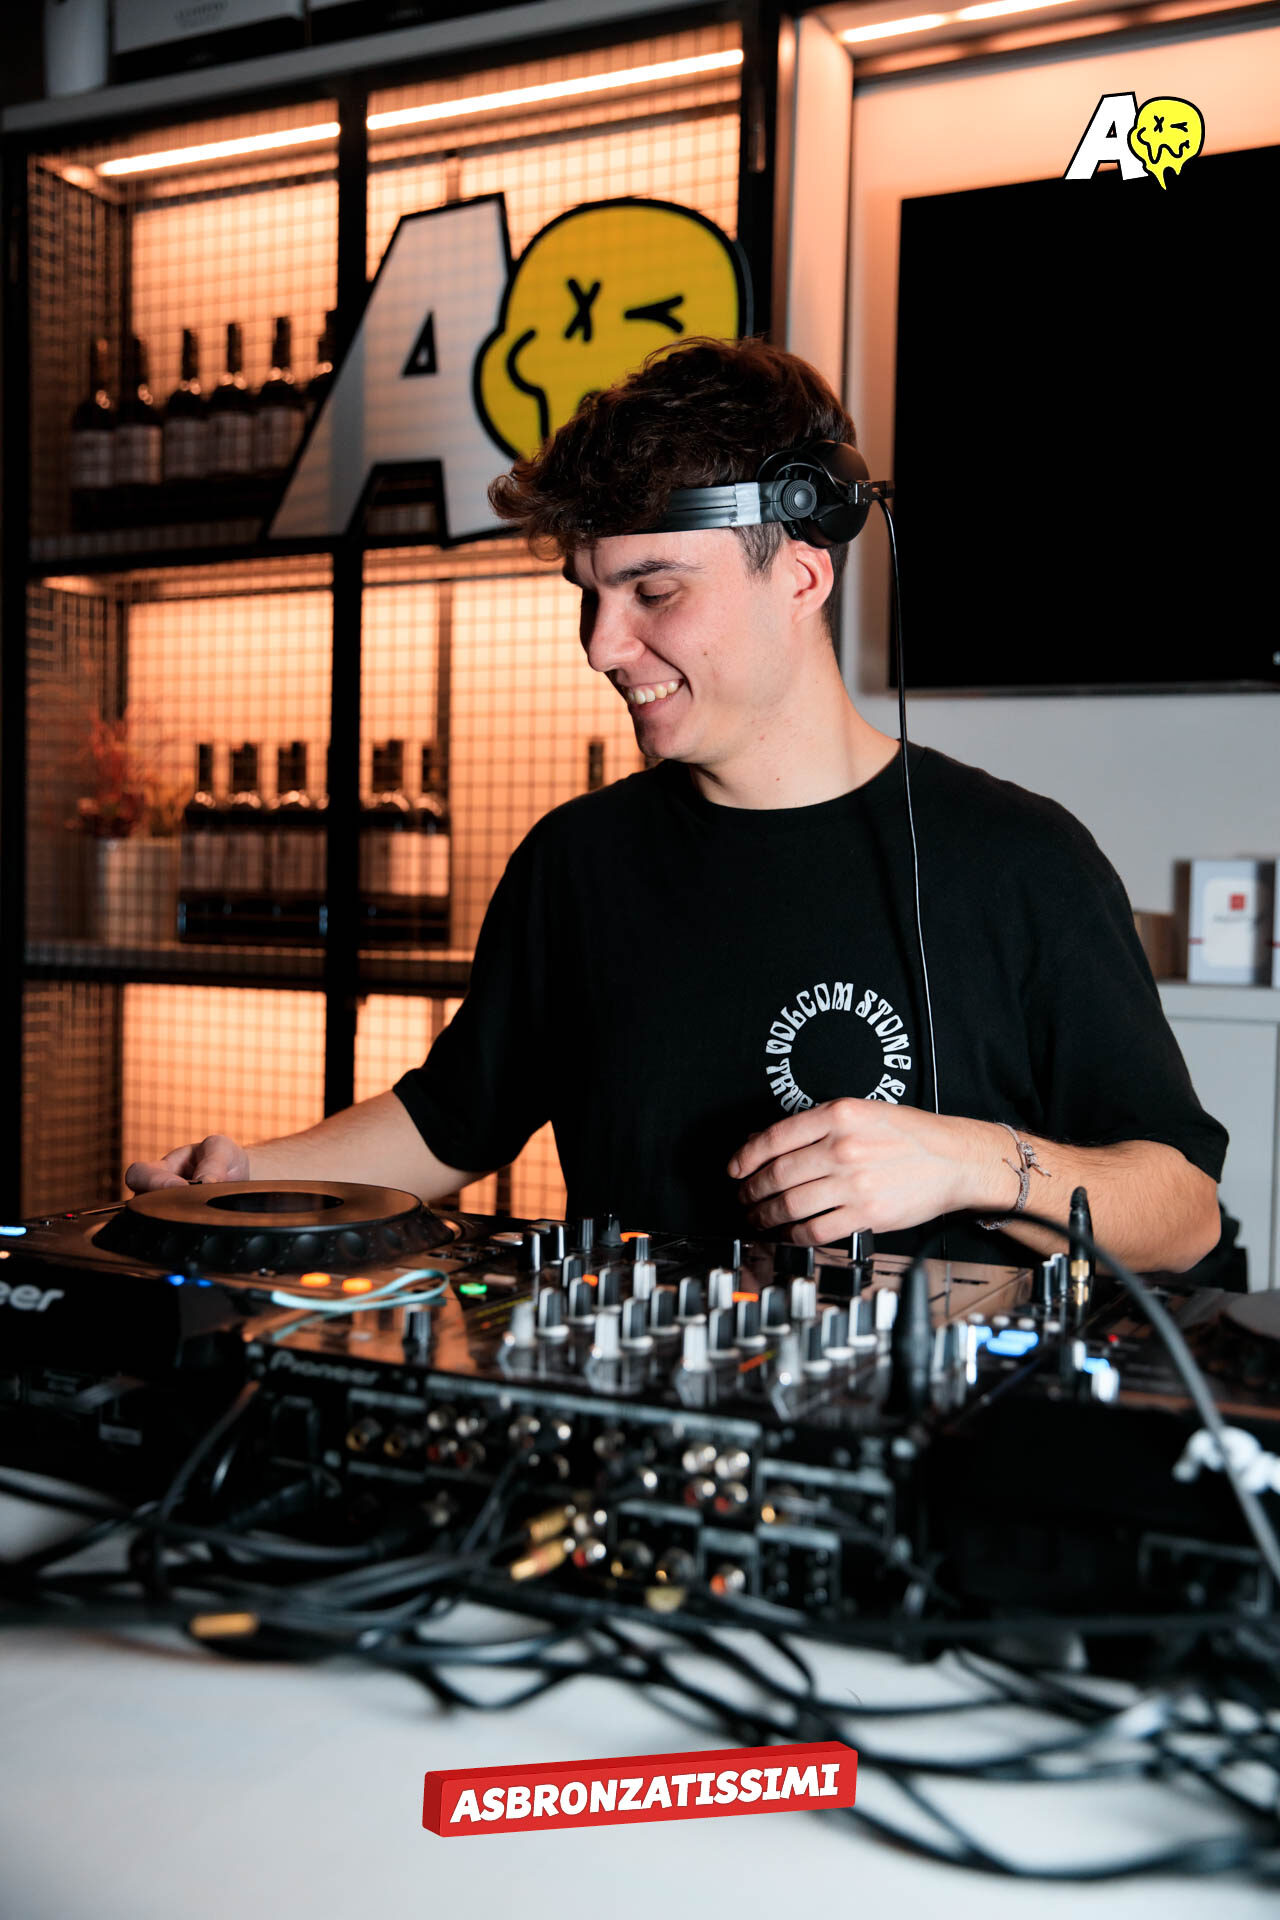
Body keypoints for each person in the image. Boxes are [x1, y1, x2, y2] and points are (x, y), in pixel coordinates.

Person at [127, 338, 1225, 1273]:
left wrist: (970, 1164)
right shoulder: (577, 859)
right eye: (591, 597)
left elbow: (1182, 1213)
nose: (603, 646)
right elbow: (450, 1124)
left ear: (801, 577)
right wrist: (245, 1177)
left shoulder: (1022, 859)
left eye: (654, 592)